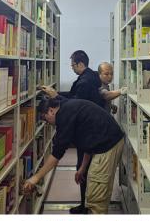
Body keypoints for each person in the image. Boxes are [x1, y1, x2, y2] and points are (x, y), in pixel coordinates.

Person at [22, 94, 125, 214]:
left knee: (96, 197)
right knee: (95, 189)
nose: (46, 122)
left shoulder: (64, 117)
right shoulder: (67, 106)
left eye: (45, 118)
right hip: (107, 141)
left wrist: (35, 178)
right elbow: (89, 139)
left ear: (51, 111)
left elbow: (57, 154)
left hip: (108, 145)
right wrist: (83, 167)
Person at [37, 51, 111, 210]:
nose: (71, 68)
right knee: (84, 166)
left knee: (83, 168)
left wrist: (56, 95)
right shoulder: (90, 76)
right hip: (90, 128)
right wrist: (55, 94)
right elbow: (73, 96)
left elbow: (74, 104)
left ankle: (85, 206)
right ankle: (85, 204)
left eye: (73, 65)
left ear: (80, 64)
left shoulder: (84, 82)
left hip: (87, 129)